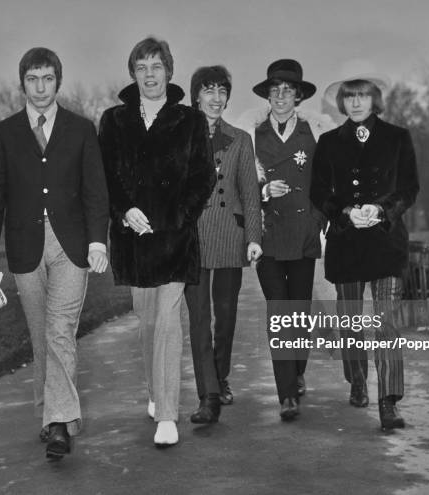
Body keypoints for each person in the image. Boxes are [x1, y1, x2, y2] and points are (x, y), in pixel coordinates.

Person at [0, 47, 110, 460]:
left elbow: (95, 190)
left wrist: (98, 240)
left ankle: (58, 424)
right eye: (32, 79)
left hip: (71, 245)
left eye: (47, 78)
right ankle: (51, 415)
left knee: (59, 330)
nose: (40, 87)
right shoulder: (4, 133)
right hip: (24, 247)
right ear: (23, 84)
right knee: (41, 336)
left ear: (58, 82)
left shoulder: (82, 129)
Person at [98, 37, 215, 446]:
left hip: (176, 239)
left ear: (169, 71)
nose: (150, 75)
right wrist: (125, 211)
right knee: (148, 324)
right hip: (133, 241)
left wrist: (175, 217)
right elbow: (106, 178)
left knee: (168, 323)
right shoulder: (113, 121)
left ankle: (168, 414)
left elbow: (204, 178)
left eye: (157, 66)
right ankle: (155, 391)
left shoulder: (191, 121)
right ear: (133, 73)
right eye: (142, 67)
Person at [310, 74, 419, 430]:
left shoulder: (397, 138)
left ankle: (388, 400)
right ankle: (356, 379)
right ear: (341, 102)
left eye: (363, 95)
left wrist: (382, 210)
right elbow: (319, 192)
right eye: (350, 96)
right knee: (352, 323)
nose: (356, 102)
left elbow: (408, 187)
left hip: (386, 242)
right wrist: (343, 213)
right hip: (346, 244)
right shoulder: (327, 142)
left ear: (375, 99)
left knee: (386, 322)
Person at [184, 66, 262, 424]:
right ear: (195, 95)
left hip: (230, 234)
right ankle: (208, 394)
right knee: (199, 318)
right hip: (192, 237)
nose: (215, 99)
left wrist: (254, 238)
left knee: (225, 315)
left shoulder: (241, 139)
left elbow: (250, 193)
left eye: (221, 92)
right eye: (208, 91)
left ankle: (221, 375)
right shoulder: (181, 136)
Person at [251, 59, 328, 420]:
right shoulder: (252, 134)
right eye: (275, 89)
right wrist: (265, 190)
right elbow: (243, 187)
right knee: (278, 314)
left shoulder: (315, 130)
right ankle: (286, 395)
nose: (281, 96)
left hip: (303, 235)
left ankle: (296, 372)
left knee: (299, 312)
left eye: (288, 90)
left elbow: (328, 183)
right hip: (268, 236)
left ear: (298, 96)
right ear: (268, 95)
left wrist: (317, 219)